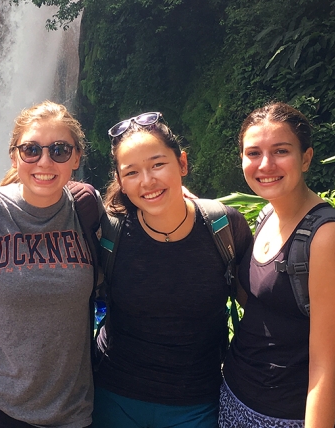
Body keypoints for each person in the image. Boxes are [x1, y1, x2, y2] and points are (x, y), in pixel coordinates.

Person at [92, 112, 253, 428]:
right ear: (121, 181)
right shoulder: (109, 233)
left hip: (195, 403)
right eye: (132, 172)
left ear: (182, 163)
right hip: (113, 395)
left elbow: (261, 309)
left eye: (157, 165)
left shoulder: (223, 227)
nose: (147, 181)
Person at [0, 100, 104, 428]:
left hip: (71, 410)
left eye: (60, 150)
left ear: (76, 157)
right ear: (14, 156)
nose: (44, 161)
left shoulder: (88, 209)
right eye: (31, 149)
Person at [219, 102, 335, 427]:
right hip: (233, 394)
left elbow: (326, 368)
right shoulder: (266, 215)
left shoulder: (326, 236)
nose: (265, 164)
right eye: (253, 153)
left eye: (280, 151)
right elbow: (259, 301)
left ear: (306, 158)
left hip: (285, 414)